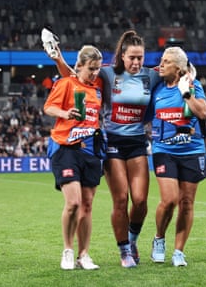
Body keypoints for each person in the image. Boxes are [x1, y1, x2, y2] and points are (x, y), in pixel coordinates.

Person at [43, 28, 161, 268]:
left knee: (128, 202)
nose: (137, 62)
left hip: (119, 144)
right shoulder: (106, 74)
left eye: (141, 57)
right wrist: (57, 58)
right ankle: (101, 250)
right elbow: (72, 76)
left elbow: (172, 71)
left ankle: (113, 245)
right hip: (99, 144)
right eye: (132, 57)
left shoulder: (148, 76)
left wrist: (189, 74)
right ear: (122, 56)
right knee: (103, 200)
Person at [43, 45, 104, 270]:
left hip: (90, 150)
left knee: (87, 205)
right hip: (66, 147)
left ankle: (84, 254)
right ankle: (68, 250)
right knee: (74, 203)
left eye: (97, 69)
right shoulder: (66, 83)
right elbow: (49, 107)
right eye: (91, 69)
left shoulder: (97, 90)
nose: (95, 73)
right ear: (79, 66)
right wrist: (65, 113)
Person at [148, 46, 206, 267]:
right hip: (164, 150)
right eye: (161, 60)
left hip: (192, 150)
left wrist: (186, 92)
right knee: (170, 199)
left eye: (166, 61)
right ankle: (159, 238)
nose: (161, 65)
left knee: (187, 202)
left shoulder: (193, 86)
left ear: (180, 68)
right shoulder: (156, 89)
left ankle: (179, 251)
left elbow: (202, 112)